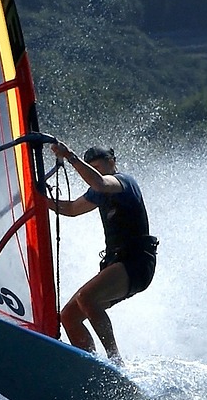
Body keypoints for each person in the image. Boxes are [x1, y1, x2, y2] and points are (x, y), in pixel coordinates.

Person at [47, 142, 158, 364]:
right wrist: (39, 200)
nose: (97, 171)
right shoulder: (98, 193)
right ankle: (91, 366)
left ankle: (115, 361)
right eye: (93, 167)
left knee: (86, 297)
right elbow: (70, 209)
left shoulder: (124, 182)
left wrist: (70, 157)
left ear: (112, 162)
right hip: (117, 264)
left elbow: (99, 181)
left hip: (136, 263)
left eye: (100, 166)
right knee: (69, 315)